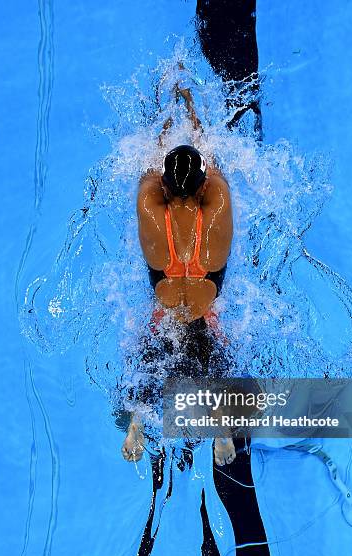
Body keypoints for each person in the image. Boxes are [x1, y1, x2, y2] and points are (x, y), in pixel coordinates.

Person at [121, 86, 236, 466]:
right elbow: (211, 156)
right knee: (217, 357)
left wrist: (166, 117)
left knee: (148, 355)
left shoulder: (147, 205)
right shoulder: (218, 199)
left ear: (164, 188)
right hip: (206, 304)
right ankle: (221, 431)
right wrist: (192, 108)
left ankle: (136, 423)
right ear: (202, 185)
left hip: (164, 301)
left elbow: (151, 163)